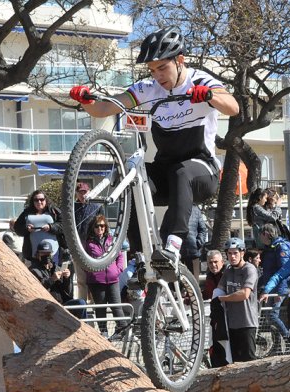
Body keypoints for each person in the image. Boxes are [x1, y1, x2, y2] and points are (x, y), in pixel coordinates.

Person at [70, 26, 239, 277]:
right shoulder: (147, 89)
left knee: (182, 172)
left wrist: (210, 96)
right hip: (166, 173)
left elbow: (233, 107)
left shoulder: (199, 80)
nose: (158, 75)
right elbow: (105, 109)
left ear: (180, 61)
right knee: (132, 178)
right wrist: (86, 102)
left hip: (202, 171)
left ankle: (172, 246)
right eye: (152, 70)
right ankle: (142, 258)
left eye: (163, 68)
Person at [214, 238, 260, 363]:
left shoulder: (249, 269)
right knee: (235, 361)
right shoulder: (228, 270)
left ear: (242, 253)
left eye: (235, 253)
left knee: (249, 360)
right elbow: (219, 289)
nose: (232, 256)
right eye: (229, 253)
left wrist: (222, 299)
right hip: (232, 324)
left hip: (247, 323)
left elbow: (244, 294)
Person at [84, 215, 126, 335]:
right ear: (93, 227)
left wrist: (118, 269)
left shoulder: (111, 240)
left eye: (102, 225)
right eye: (97, 226)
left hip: (113, 279)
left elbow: (120, 255)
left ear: (105, 227)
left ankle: (123, 330)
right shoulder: (88, 243)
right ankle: (104, 332)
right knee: (100, 307)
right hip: (96, 281)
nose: (100, 228)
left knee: (117, 307)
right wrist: (91, 272)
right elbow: (83, 261)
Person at [257, 223, 290, 351]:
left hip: (279, 289)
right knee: (269, 318)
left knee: (273, 316)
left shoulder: (280, 247)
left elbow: (285, 271)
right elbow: (267, 271)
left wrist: (280, 291)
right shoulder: (270, 248)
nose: (259, 238)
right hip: (271, 288)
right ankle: (277, 346)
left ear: (266, 234)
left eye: (260, 235)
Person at [29, 240, 87, 318]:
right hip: (47, 305)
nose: (46, 256)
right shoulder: (33, 270)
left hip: (62, 304)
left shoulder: (56, 268)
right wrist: (52, 279)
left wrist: (67, 278)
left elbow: (67, 291)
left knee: (81, 303)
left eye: (48, 253)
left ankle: (82, 326)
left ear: (52, 254)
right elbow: (36, 289)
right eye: (43, 253)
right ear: (38, 254)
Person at [13, 189, 64, 264]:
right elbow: (17, 228)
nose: (39, 202)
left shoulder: (54, 211)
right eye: (36, 200)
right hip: (33, 254)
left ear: (45, 200)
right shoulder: (26, 212)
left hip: (54, 252)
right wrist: (26, 229)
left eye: (41, 199)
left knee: (54, 274)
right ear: (33, 202)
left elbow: (63, 225)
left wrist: (51, 227)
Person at [73, 182, 102, 300]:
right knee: (81, 280)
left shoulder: (97, 206)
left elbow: (103, 225)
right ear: (76, 193)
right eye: (80, 192)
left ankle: (97, 307)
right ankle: (82, 308)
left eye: (85, 192)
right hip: (78, 247)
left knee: (95, 279)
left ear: (89, 192)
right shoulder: (72, 207)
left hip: (93, 247)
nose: (83, 195)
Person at [182, 205, 208, 279]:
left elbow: (203, 229)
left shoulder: (196, 210)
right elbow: (164, 230)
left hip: (193, 252)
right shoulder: (172, 209)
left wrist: (198, 243)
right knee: (176, 283)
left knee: (194, 281)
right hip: (177, 252)